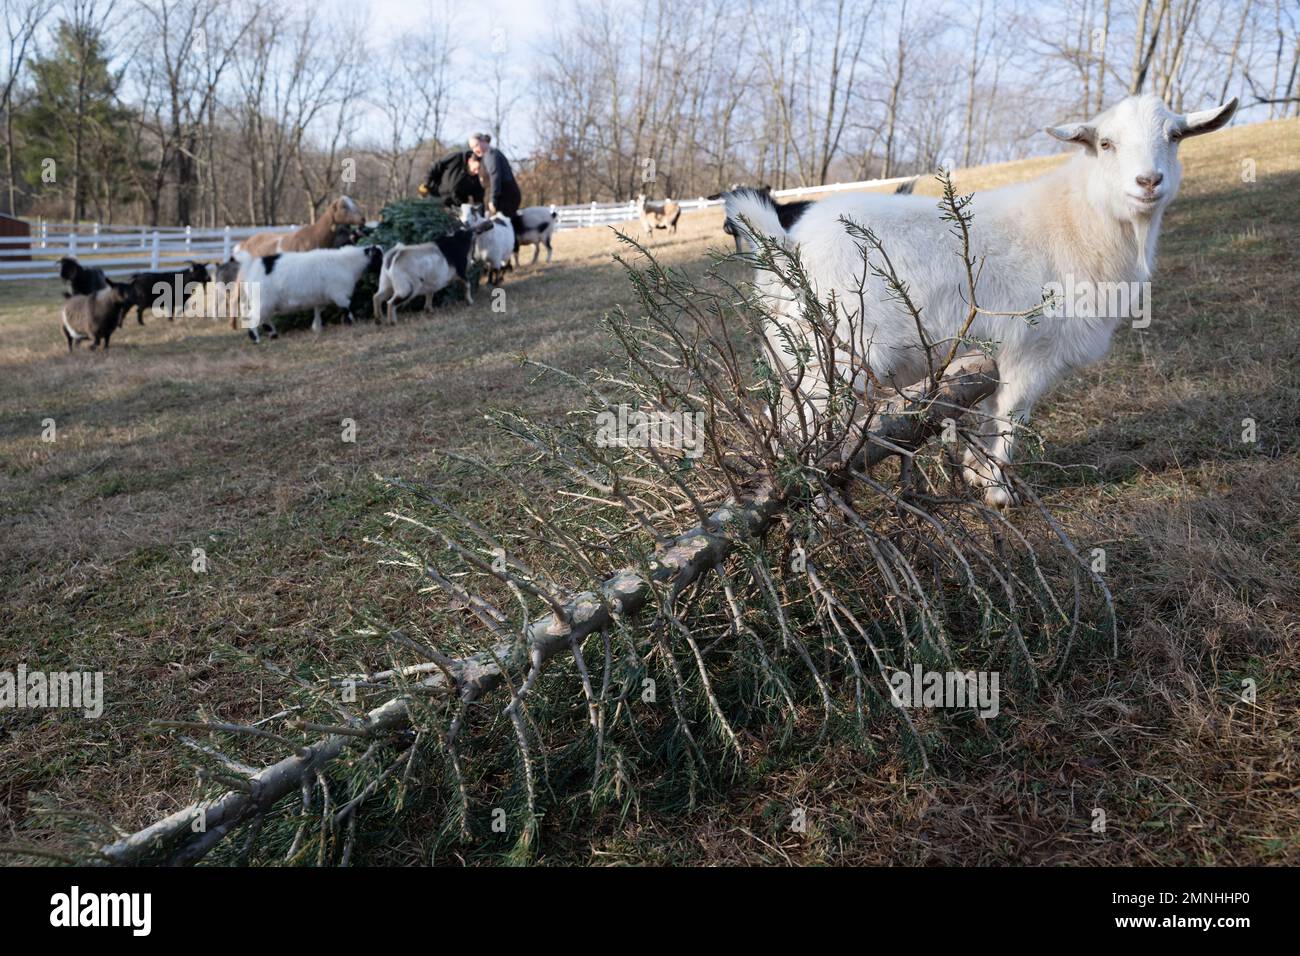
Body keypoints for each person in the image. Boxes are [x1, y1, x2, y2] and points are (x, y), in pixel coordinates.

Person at [467, 132, 521, 219]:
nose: (474, 150)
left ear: (484, 141)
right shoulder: (485, 156)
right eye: (472, 148)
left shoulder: (491, 154)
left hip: (505, 197)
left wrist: (493, 199)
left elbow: (495, 176)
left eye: (476, 145)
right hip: (499, 197)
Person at [419, 147, 485, 208]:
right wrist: (427, 182)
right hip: (437, 197)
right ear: (470, 161)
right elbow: (437, 165)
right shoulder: (457, 157)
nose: (477, 172)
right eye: (476, 168)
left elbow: (478, 197)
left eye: (479, 169)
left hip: (456, 206)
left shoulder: (478, 178)